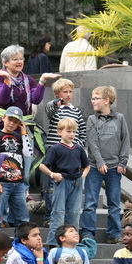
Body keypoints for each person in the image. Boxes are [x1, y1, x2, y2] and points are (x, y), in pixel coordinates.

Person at [80, 86, 129, 244]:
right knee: (90, 202)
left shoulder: (119, 118)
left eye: (96, 98)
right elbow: (92, 143)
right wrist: (100, 162)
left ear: (107, 100)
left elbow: (125, 140)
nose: (92, 101)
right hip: (95, 166)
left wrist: (123, 161)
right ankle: (88, 232)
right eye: (92, 98)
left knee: (114, 202)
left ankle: (114, 233)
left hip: (115, 167)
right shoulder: (92, 119)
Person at [42, 78, 86, 228]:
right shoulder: (54, 107)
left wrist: (75, 145)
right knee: (52, 187)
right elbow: (49, 110)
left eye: (70, 92)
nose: (68, 94)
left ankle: (67, 219)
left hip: (71, 153)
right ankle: (49, 216)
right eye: (64, 92)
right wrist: (57, 103)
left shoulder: (76, 111)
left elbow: (82, 131)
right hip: (55, 150)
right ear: (56, 93)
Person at [39, 117, 89, 247]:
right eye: (68, 131)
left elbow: (87, 165)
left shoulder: (78, 149)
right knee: (58, 213)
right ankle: (54, 243)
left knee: (74, 213)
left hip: (76, 182)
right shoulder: (55, 148)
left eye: (73, 132)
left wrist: (82, 176)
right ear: (59, 132)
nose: (71, 134)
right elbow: (42, 166)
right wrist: (52, 174)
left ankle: (72, 243)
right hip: (62, 181)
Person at [0, 44, 60, 128]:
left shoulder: (28, 79)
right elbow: (3, 99)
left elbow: (36, 100)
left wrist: (42, 80)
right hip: (2, 126)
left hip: (24, 125)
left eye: (21, 59)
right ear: (5, 62)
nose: (19, 62)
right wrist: (7, 80)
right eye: (15, 59)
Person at [0, 107, 33, 239]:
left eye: (16, 122)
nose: (12, 124)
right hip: (2, 183)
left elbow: (28, 153)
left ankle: (21, 246)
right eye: (10, 120)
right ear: (3, 118)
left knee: (23, 219)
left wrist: (24, 133)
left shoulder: (19, 137)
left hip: (18, 184)